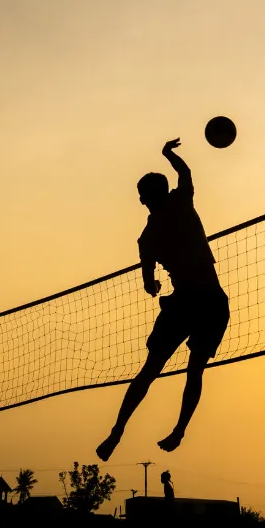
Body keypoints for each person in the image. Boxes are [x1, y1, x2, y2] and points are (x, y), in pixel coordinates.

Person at [96, 139, 230, 460]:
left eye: (142, 197)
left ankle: (117, 431)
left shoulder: (148, 237)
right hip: (210, 300)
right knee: (194, 371)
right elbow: (185, 171)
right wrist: (169, 154)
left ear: (144, 199)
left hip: (185, 302)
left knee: (149, 371)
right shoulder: (182, 201)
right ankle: (180, 431)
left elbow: (147, 282)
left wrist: (153, 285)